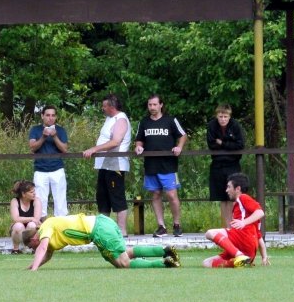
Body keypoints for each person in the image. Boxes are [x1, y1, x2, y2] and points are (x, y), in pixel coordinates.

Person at [23, 214, 180, 270]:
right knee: (122, 256)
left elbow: (42, 247)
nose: (33, 250)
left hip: (99, 231)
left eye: (31, 247)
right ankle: (164, 250)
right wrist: (32, 266)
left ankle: (164, 263)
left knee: (122, 263)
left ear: (33, 238)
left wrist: (34, 270)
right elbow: (47, 254)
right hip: (102, 224)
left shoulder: (44, 228)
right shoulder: (48, 235)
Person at [134, 94, 187, 237]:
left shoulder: (170, 120)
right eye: (150, 105)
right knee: (156, 194)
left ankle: (177, 224)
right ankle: (161, 226)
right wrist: (138, 147)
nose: (152, 107)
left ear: (161, 105)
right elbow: (139, 140)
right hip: (151, 164)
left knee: (171, 194)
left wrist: (179, 147)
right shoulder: (144, 122)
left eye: (155, 104)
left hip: (168, 164)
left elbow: (182, 135)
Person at [82, 94, 131, 237]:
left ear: (112, 106)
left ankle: (122, 231)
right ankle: (105, 229)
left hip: (115, 164)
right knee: (102, 197)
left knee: (117, 197)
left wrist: (94, 149)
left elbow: (116, 141)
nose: (102, 109)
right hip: (104, 164)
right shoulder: (110, 119)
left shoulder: (121, 119)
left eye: (104, 106)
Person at [202, 173, 269, 268]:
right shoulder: (246, 212)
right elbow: (259, 237)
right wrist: (264, 257)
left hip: (243, 239)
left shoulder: (243, 197)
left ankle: (239, 256)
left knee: (210, 233)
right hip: (248, 251)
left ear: (238, 189)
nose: (226, 190)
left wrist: (243, 222)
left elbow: (260, 212)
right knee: (207, 263)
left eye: (229, 187)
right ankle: (240, 261)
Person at [206, 103, 245, 228]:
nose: (223, 119)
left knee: (233, 197)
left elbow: (240, 145)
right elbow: (211, 144)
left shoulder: (235, 126)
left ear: (229, 116)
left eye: (225, 116)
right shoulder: (212, 126)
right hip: (217, 164)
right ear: (217, 116)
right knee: (223, 197)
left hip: (233, 164)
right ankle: (226, 227)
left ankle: (235, 225)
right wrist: (229, 144)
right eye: (220, 116)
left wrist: (222, 142)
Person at [28, 105, 69, 220]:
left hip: (57, 169)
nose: (50, 118)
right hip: (40, 170)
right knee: (40, 202)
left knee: (60, 202)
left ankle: (60, 229)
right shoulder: (35, 130)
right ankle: (42, 229)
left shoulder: (60, 130)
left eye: (53, 115)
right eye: (47, 115)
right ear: (42, 116)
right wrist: (43, 137)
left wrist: (55, 136)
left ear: (55, 117)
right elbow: (32, 147)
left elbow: (64, 149)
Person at [9, 180, 42, 254]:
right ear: (23, 194)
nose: (34, 194)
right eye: (31, 192)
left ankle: (33, 248)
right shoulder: (14, 201)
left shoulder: (37, 201)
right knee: (18, 225)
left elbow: (36, 219)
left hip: (32, 228)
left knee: (32, 225)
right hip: (18, 230)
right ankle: (16, 250)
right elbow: (15, 218)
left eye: (34, 191)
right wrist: (31, 218)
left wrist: (32, 219)